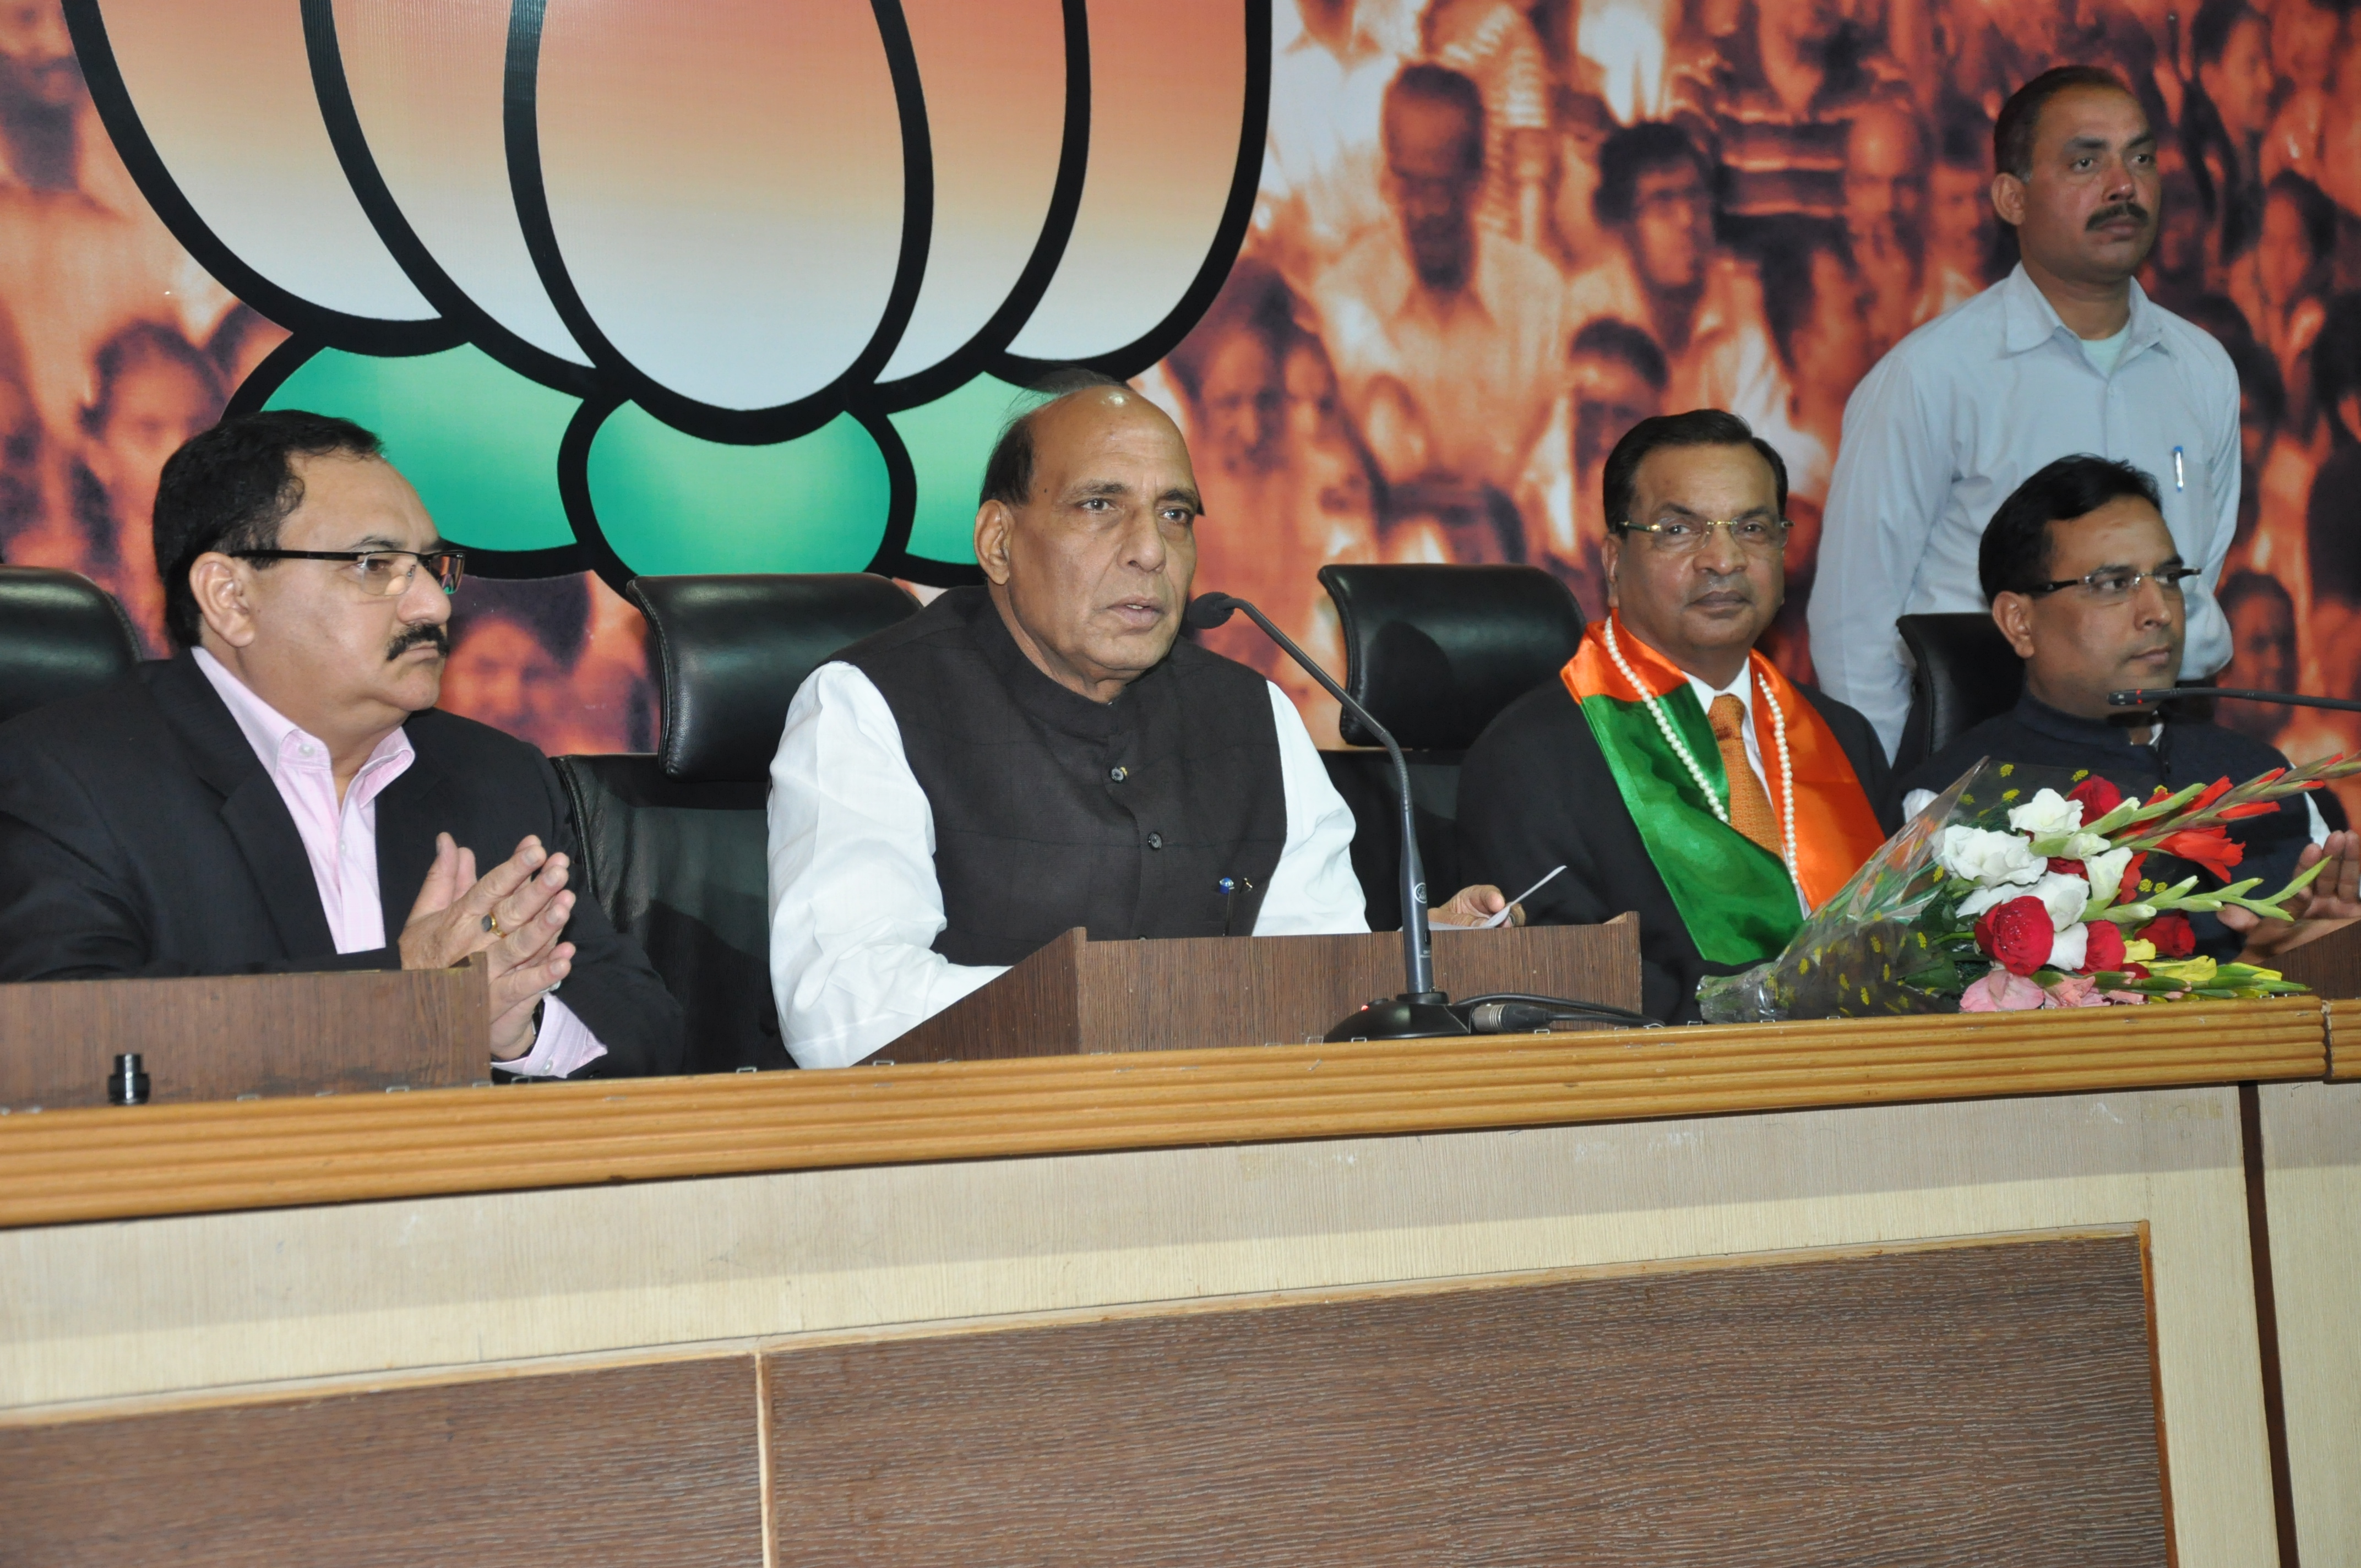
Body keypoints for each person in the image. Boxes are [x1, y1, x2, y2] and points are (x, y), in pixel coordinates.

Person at [765, 378, 1506, 1069]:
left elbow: (1306, 975)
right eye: (1099, 506)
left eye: (1175, 514)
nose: (1151, 550)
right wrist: (1128, 1003)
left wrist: (1412, 962)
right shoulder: (870, 704)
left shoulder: (1252, 713)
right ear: (998, 541)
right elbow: (841, 1012)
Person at [0, 410, 682, 1076]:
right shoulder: (66, 775)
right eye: (374, 564)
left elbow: (644, 1029)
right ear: (230, 597)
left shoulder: (495, 774)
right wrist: (407, 995)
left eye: (430, 565)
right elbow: (63, 1047)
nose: (433, 606)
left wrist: (517, 1031)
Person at [1813, 64, 2242, 760]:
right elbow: (1850, 625)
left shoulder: (2201, 368)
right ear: (2011, 198)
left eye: (2140, 157)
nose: (2122, 186)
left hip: (2171, 742)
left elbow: (2199, 571)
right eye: (2084, 161)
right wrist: (1904, 808)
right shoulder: (1929, 376)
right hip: (1988, 755)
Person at [1457, 410, 1898, 1024]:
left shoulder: (1843, 736)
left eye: (1751, 527)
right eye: (1678, 529)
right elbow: (1557, 985)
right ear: (1613, 561)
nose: (1723, 559)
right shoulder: (1535, 756)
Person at [1899, 455, 2356, 962]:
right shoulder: (1951, 806)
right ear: (2019, 622)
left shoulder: (2264, 774)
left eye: (2168, 578)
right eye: (2114, 585)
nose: (2159, 611)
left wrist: (2330, 959)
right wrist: (2256, 972)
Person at [1308, 63, 1565, 510]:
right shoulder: (1345, 297)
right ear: (1387, 177)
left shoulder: (1539, 298)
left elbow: (1553, 475)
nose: (1426, 210)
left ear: (1479, 184)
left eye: (1443, 188)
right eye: (1409, 185)